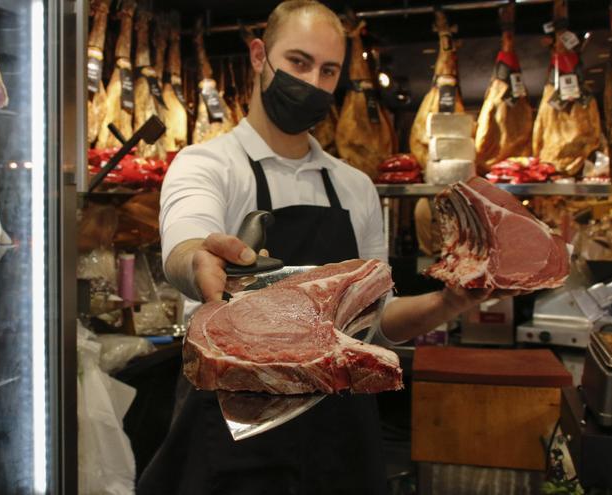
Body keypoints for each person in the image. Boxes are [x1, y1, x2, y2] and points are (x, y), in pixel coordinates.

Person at [138, 2, 514, 493]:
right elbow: (187, 242)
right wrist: (198, 259)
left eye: (328, 70)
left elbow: (374, 322)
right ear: (259, 56)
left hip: (341, 437)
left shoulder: (354, 186)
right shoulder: (207, 165)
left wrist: (448, 303)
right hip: (238, 436)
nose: (313, 82)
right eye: (298, 62)